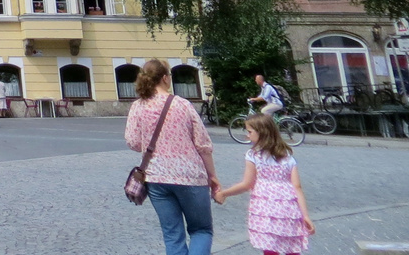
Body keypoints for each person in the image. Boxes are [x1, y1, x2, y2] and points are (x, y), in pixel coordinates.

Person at [125, 58, 221, 255]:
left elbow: (133, 142)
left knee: (172, 235)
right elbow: (203, 145)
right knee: (201, 230)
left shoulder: (138, 106)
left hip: (156, 178)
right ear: (165, 78)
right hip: (190, 176)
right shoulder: (182, 104)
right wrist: (212, 176)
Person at [215, 113, 314, 255]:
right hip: (289, 211)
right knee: (291, 248)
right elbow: (297, 187)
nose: (247, 135)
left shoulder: (254, 155)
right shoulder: (287, 156)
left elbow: (246, 184)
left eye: (249, 132)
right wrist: (305, 215)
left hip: (266, 210)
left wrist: (224, 193)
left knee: (270, 248)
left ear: (261, 133)